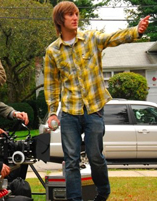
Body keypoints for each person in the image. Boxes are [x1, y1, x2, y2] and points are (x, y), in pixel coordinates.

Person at [44, 1, 149, 201]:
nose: (75, 17)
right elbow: (51, 84)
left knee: (95, 157)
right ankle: (75, 199)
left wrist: (136, 31)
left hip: (93, 110)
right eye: (70, 14)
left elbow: (113, 37)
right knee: (71, 160)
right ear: (60, 20)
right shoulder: (52, 51)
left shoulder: (91, 39)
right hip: (68, 113)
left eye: (76, 13)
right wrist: (51, 112)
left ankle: (103, 192)